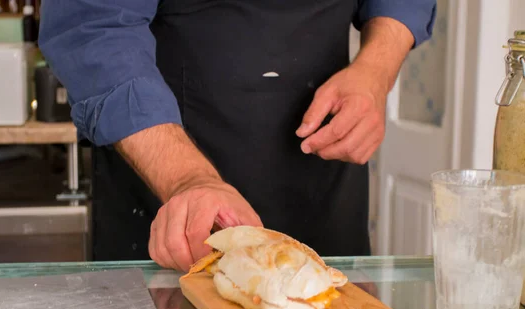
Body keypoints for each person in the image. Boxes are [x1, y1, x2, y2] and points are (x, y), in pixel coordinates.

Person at [39, 0, 436, 271]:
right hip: (169, 203)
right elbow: (92, 27)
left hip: (324, 199)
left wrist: (375, 72)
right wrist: (189, 180)